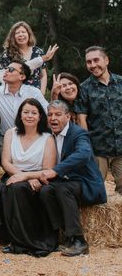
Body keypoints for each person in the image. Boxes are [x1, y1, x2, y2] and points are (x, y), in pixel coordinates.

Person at [39, 100, 107, 256]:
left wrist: (56, 170)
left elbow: (83, 154)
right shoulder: (48, 135)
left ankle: (79, 241)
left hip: (85, 183)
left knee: (63, 189)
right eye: (50, 115)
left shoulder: (78, 133)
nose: (53, 118)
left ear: (68, 117)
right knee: (45, 191)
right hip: (66, 181)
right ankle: (63, 236)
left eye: (58, 114)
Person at [0, 99, 57, 256]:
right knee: (9, 187)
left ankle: (25, 240)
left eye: (34, 113)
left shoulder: (47, 138)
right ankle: (15, 239)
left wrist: (27, 177)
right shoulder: (10, 133)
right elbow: (5, 162)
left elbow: (48, 169)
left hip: (39, 177)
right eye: (26, 112)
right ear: (20, 115)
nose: (30, 116)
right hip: (13, 174)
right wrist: (22, 177)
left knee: (18, 188)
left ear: (40, 116)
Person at [74, 46, 122, 193]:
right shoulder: (84, 88)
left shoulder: (121, 82)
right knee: (94, 191)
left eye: (96, 60)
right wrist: (86, 147)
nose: (93, 65)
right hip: (98, 150)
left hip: (121, 148)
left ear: (106, 60)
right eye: (89, 62)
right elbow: (81, 119)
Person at [0, 60, 48, 137]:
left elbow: (47, 112)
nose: (6, 71)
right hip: (6, 139)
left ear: (22, 76)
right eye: (6, 68)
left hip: (31, 138)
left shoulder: (34, 92)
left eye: (11, 69)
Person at [0, 21, 48, 92]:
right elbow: (4, 77)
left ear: (29, 34)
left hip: (36, 95)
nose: (21, 35)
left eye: (23, 32)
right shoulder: (7, 54)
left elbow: (43, 75)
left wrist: (42, 93)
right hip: (16, 95)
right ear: (13, 37)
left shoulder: (38, 51)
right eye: (17, 33)